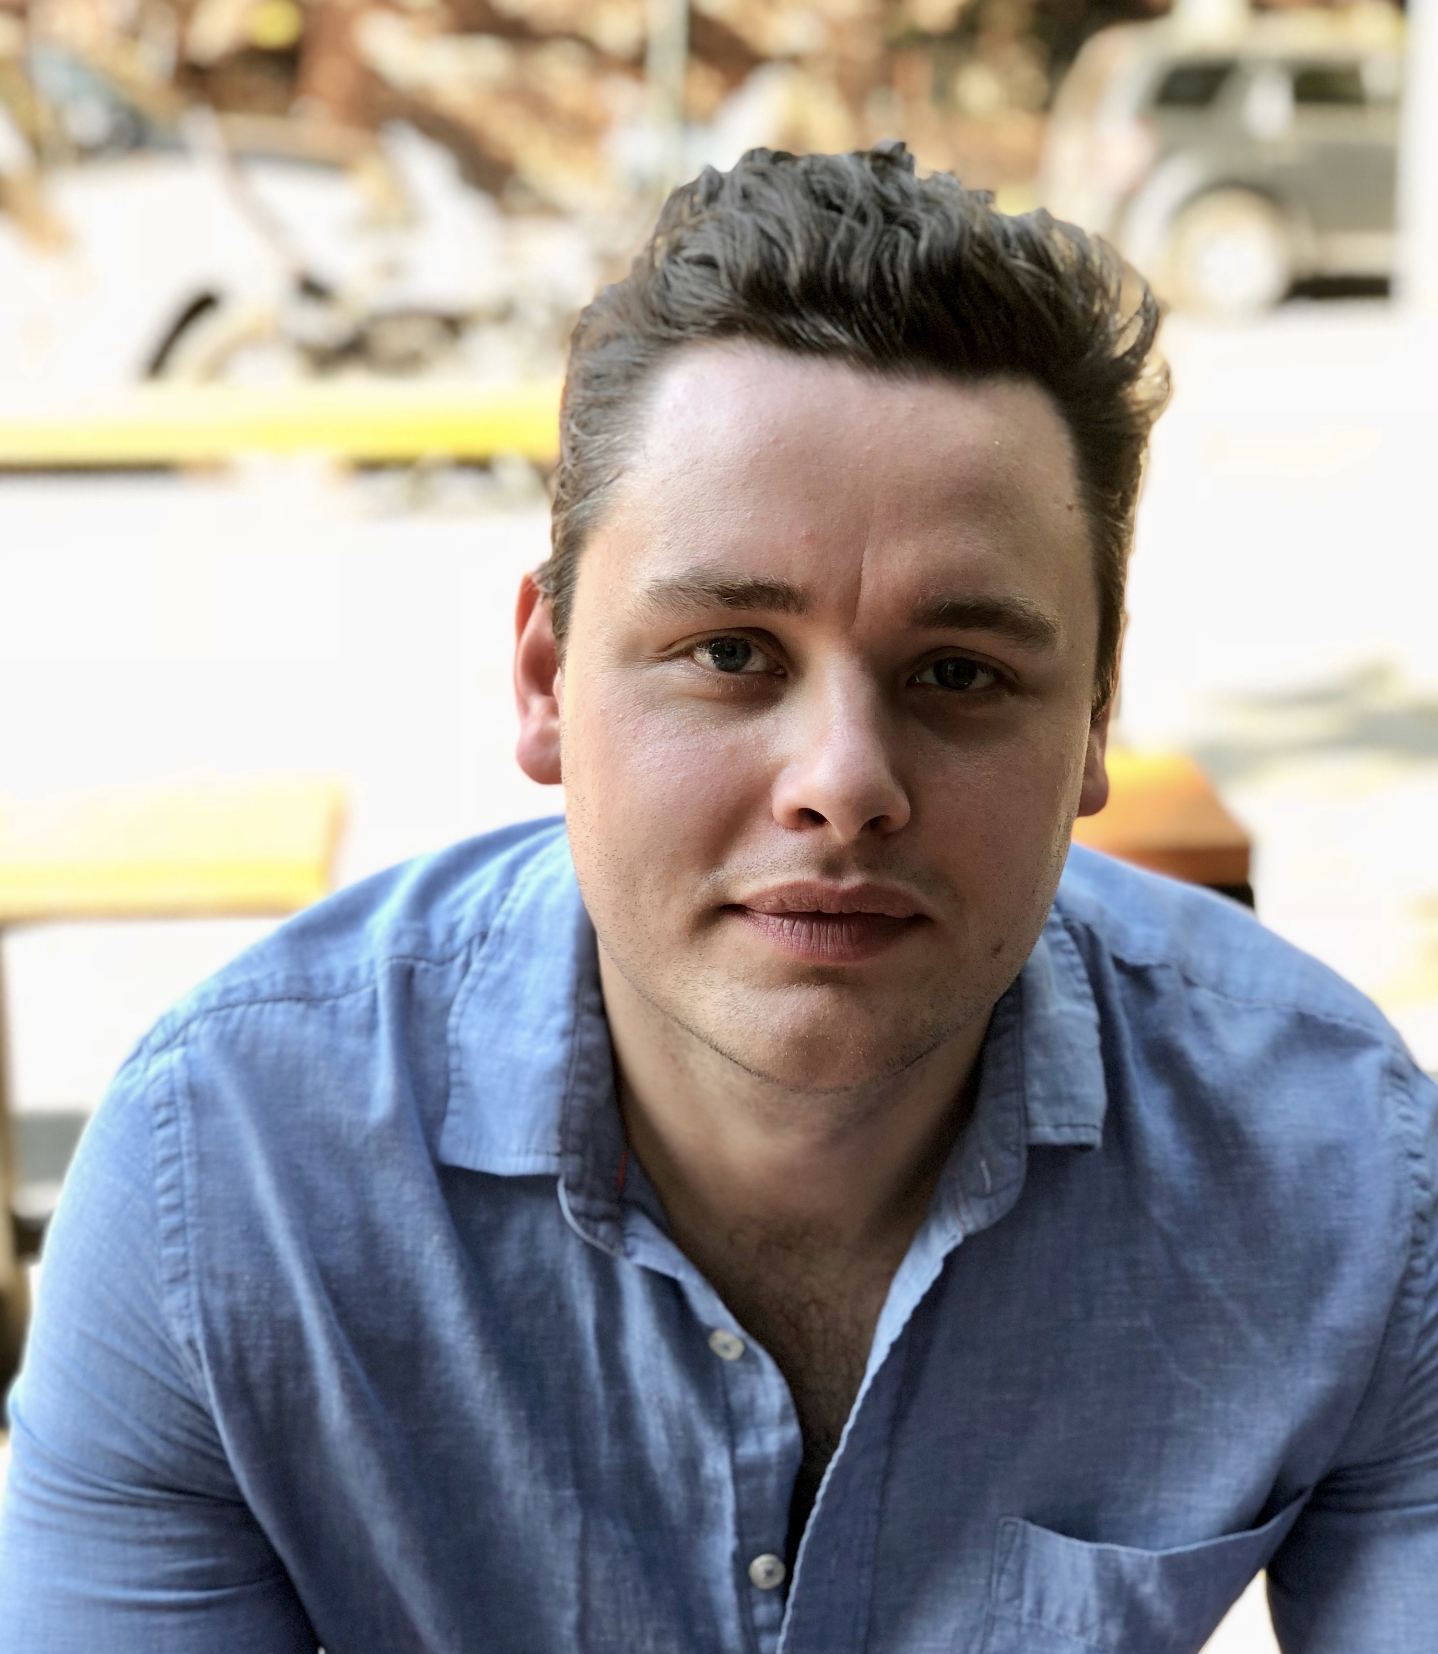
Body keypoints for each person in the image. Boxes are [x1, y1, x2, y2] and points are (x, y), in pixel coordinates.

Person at [1, 144, 1434, 1654]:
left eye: (959, 673)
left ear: (1092, 722)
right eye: (731, 650)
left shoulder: (1336, 1166)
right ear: (546, 676)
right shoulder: (224, 1190)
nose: (842, 781)